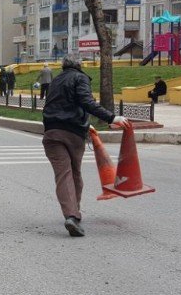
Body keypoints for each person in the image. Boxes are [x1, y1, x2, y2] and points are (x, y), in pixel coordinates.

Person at [42, 54, 127, 237]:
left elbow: (58, 105)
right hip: (72, 134)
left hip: (51, 133)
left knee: (63, 175)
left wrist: (86, 123)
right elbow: (86, 102)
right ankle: (73, 215)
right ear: (79, 65)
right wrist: (112, 118)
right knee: (75, 174)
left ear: (63, 66)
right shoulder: (80, 78)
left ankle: (72, 214)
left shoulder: (56, 80)